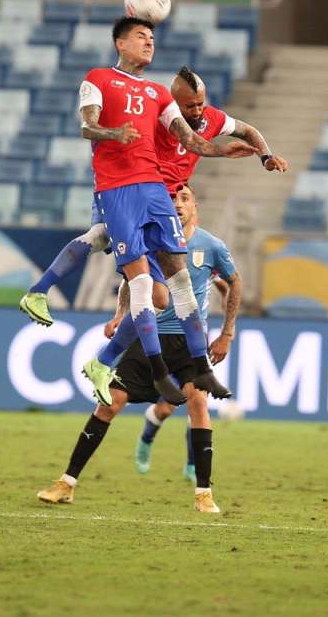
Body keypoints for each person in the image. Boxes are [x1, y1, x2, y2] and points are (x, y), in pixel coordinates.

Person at [28, 16, 256, 407]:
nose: (149, 42)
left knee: (174, 286)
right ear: (120, 43)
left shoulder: (157, 93)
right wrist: (114, 133)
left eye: (152, 37)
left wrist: (224, 151)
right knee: (135, 277)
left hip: (153, 189)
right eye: (140, 36)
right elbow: (87, 127)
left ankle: (195, 367)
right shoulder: (98, 78)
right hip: (117, 188)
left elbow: (190, 139)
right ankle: (43, 295)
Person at [18, 65, 286, 332]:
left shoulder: (212, 118)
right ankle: (41, 291)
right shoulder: (154, 117)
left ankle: (123, 339)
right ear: (173, 104)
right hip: (130, 191)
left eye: (200, 104)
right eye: (189, 106)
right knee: (102, 237)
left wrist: (265, 156)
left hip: (163, 202)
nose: (196, 111)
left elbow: (248, 131)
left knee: (158, 294)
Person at [36, 185, 237, 513]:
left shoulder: (211, 245)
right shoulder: (152, 236)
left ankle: (204, 493)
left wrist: (227, 333)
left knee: (198, 403)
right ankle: (66, 483)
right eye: (172, 198)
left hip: (188, 343)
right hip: (149, 338)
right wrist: (119, 314)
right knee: (109, 404)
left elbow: (233, 282)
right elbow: (134, 280)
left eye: (184, 198)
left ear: (195, 207)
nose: (177, 204)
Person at [132, 276, 234, 481]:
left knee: (198, 405)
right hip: (165, 341)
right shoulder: (163, 263)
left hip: (194, 346)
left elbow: (227, 288)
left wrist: (228, 329)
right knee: (164, 410)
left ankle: (192, 465)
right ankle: (146, 439)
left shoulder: (202, 264)